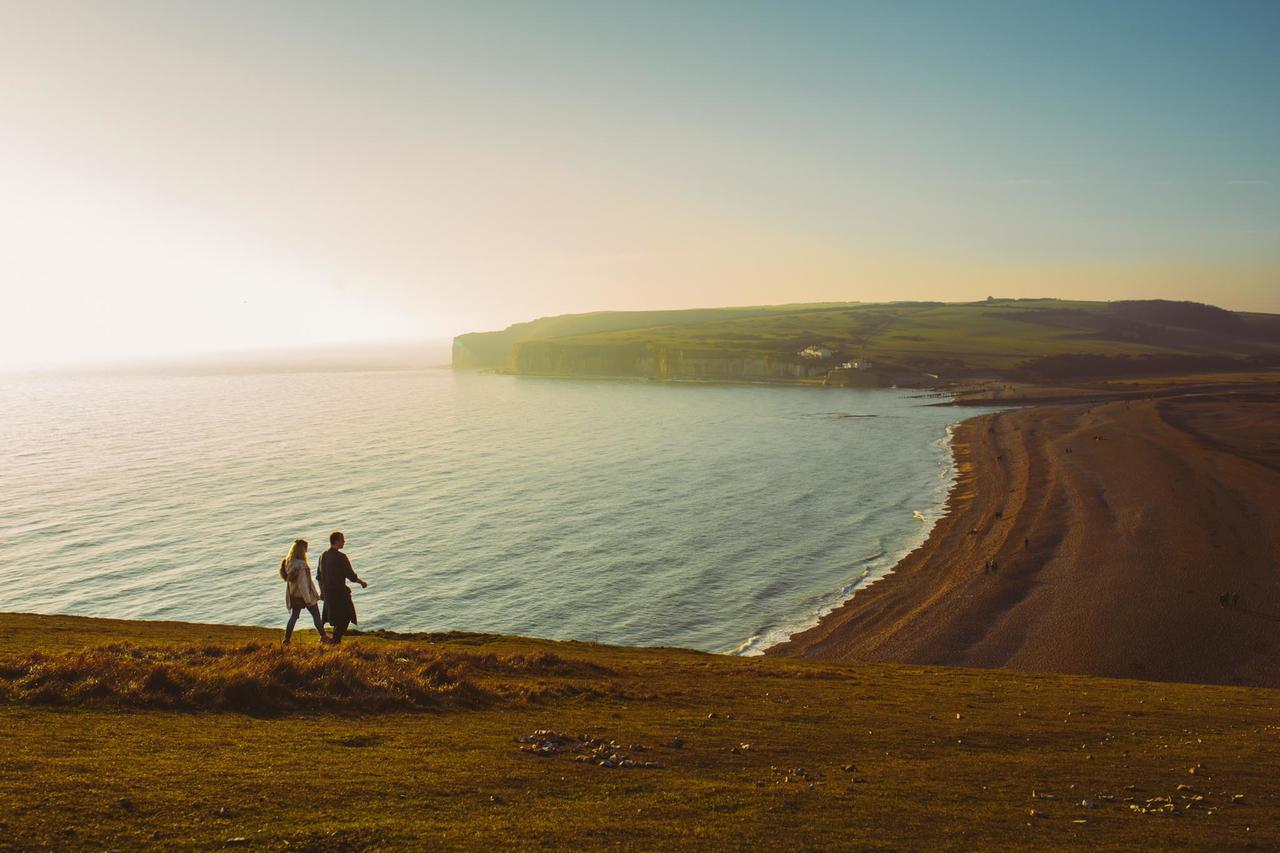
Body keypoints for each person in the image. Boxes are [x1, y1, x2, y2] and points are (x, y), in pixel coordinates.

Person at [317, 531, 367, 644]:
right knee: (347, 615)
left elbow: (319, 577)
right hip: (339, 592)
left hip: (328, 592)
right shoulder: (341, 557)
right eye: (342, 539)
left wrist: (322, 592)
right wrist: (362, 582)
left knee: (335, 617)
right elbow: (351, 576)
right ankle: (335, 640)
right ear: (336, 541)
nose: (344, 541)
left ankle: (334, 640)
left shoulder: (323, 556)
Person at [280, 539, 328, 645]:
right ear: (301, 550)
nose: (306, 552)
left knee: (293, 617)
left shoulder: (288, 563)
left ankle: (286, 640)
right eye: (305, 549)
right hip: (306, 596)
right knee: (316, 615)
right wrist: (308, 599)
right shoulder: (301, 565)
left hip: (294, 595)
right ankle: (323, 637)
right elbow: (303, 585)